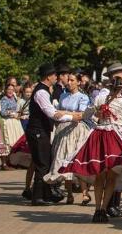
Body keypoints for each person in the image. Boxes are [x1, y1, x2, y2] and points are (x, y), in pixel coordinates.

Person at [58, 72, 122, 223]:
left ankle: (98, 209)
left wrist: (89, 114)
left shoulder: (100, 98)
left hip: (99, 137)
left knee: (100, 175)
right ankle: (103, 210)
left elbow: (87, 114)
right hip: (116, 139)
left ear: (110, 86)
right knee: (111, 176)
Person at [26, 64, 75, 206]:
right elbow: (51, 113)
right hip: (37, 131)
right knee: (42, 163)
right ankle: (37, 197)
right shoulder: (41, 92)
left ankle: (46, 194)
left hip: (41, 130)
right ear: (48, 76)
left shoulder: (45, 90)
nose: (56, 77)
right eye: (54, 75)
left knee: (46, 162)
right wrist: (72, 117)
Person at [44, 72, 93, 206]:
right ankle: (70, 194)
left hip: (77, 130)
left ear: (78, 82)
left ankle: (84, 193)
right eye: (68, 80)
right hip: (62, 129)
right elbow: (57, 112)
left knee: (76, 160)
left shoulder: (83, 97)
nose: (69, 82)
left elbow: (81, 114)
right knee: (64, 160)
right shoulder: (63, 95)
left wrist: (64, 113)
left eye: (72, 80)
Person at [0, 81, 23, 157]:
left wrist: (18, 114)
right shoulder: (4, 99)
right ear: (6, 90)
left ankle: (13, 160)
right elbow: (2, 112)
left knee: (16, 140)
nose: (10, 91)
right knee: (9, 141)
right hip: (8, 122)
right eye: (9, 89)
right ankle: (6, 161)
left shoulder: (14, 98)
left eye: (12, 90)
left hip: (15, 122)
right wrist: (12, 113)